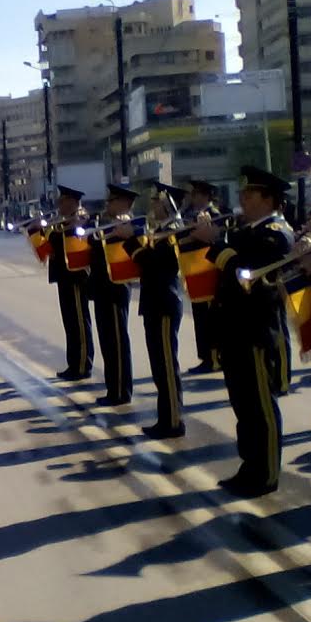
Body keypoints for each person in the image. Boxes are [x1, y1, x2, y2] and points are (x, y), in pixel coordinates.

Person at [190, 165, 293, 497]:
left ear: (268, 199)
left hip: (257, 332)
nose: (243, 199)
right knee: (243, 407)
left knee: (261, 407)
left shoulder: (276, 233)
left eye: (250, 194)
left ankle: (266, 475)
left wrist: (217, 244)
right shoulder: (247, 230)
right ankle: (249, 467)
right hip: (235, 331)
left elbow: (248, 276)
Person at [117, 183, 186, 439]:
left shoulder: (172, 232)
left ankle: (174, 421)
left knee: (167, 366)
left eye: (157, 201)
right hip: (154, 302)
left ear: (168, 204)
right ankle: (165, 418)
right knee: (159, 366)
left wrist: (131, 242)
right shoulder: (158, 231)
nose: (153, 205)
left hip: (165, 303)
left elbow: (153, 264)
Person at [89, 184, 137, 405]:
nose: (107, 204)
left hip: (116, 288)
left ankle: (121, 391)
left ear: (125, 203)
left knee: (117, 341)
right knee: (107, 341)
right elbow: (90, 242)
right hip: (102, 288)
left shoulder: (128, 226)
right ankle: (112, 388)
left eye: (112, 200)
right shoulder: (105, 223)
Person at [47, 185, 93, 381]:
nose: (59, 204)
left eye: (63, 201)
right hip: (63, 276)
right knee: (70, 322)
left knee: (79, 322)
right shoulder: (62, 220)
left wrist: (72, 225)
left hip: (76, 277)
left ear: (73, 202)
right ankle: (73, 363)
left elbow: (79, 240)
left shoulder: (80, 218)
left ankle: (82, 364)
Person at [183, 180, 223, 374]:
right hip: (193, 270)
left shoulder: (214, 215)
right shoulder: (189, 215)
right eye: (193, 194)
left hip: (207, 270)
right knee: (200, 317)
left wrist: (194, 233)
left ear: (207, 196)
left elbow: (214, 237)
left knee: (210, 317)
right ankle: (205, 356)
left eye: (198, 194)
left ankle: (214, 358)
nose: (194, 198)